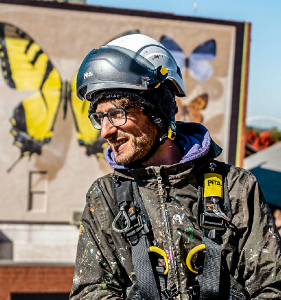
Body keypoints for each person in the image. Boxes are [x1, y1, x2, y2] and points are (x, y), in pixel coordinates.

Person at [70, 34, 281, 300]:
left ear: (156, 110)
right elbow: (89, 292)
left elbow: (272, 289)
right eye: (100, 118)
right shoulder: (105, 198)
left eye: (116, 114)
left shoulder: (237, 188)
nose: (106, 131)